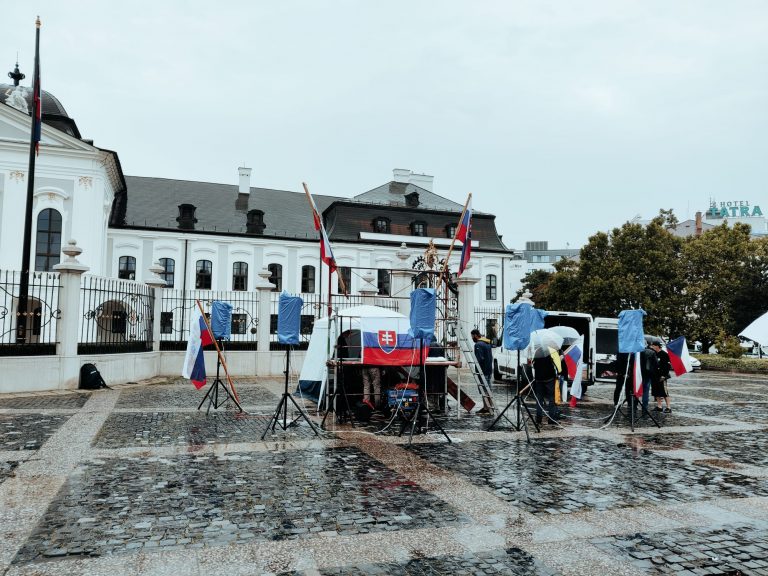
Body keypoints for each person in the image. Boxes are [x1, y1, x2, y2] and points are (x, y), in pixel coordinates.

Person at [470, 329, 494, 414]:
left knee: (484, 389)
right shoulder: (487, 343)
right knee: (488, 388)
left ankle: (486, 408)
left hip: (482, 371)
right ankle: (489, 406)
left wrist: (477, 371)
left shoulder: (478, 344)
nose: (472, 338)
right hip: (489, 369)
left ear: (475, 335)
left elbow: (479, 359)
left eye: (472, 336)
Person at [533, 353, 559, 425]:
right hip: (549, 378)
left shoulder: (537, 351)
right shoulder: (550, 351)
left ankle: (538, 418)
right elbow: (556, 364)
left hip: (539, 379)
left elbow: (534, 365)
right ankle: (551, 419)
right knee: (551, 399)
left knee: (539, 399)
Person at [651, 341, 672, 413]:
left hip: (662, 376)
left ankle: (668, 407)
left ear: (657, 346)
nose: (652, 347)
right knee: (656, 391)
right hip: (654, 375)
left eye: (653, 346)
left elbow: (667, 366)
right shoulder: (653, 354)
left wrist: (664, 375)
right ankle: (659, 406)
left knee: (664, 392)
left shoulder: (664, 354)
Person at [639, 343, 658, 415]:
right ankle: (645, 406)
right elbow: (656, 364)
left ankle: (634, 405)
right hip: (648, 374)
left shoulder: (638, 352)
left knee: (636, 389)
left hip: (639, 373)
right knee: (646, 391)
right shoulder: (652, 352)